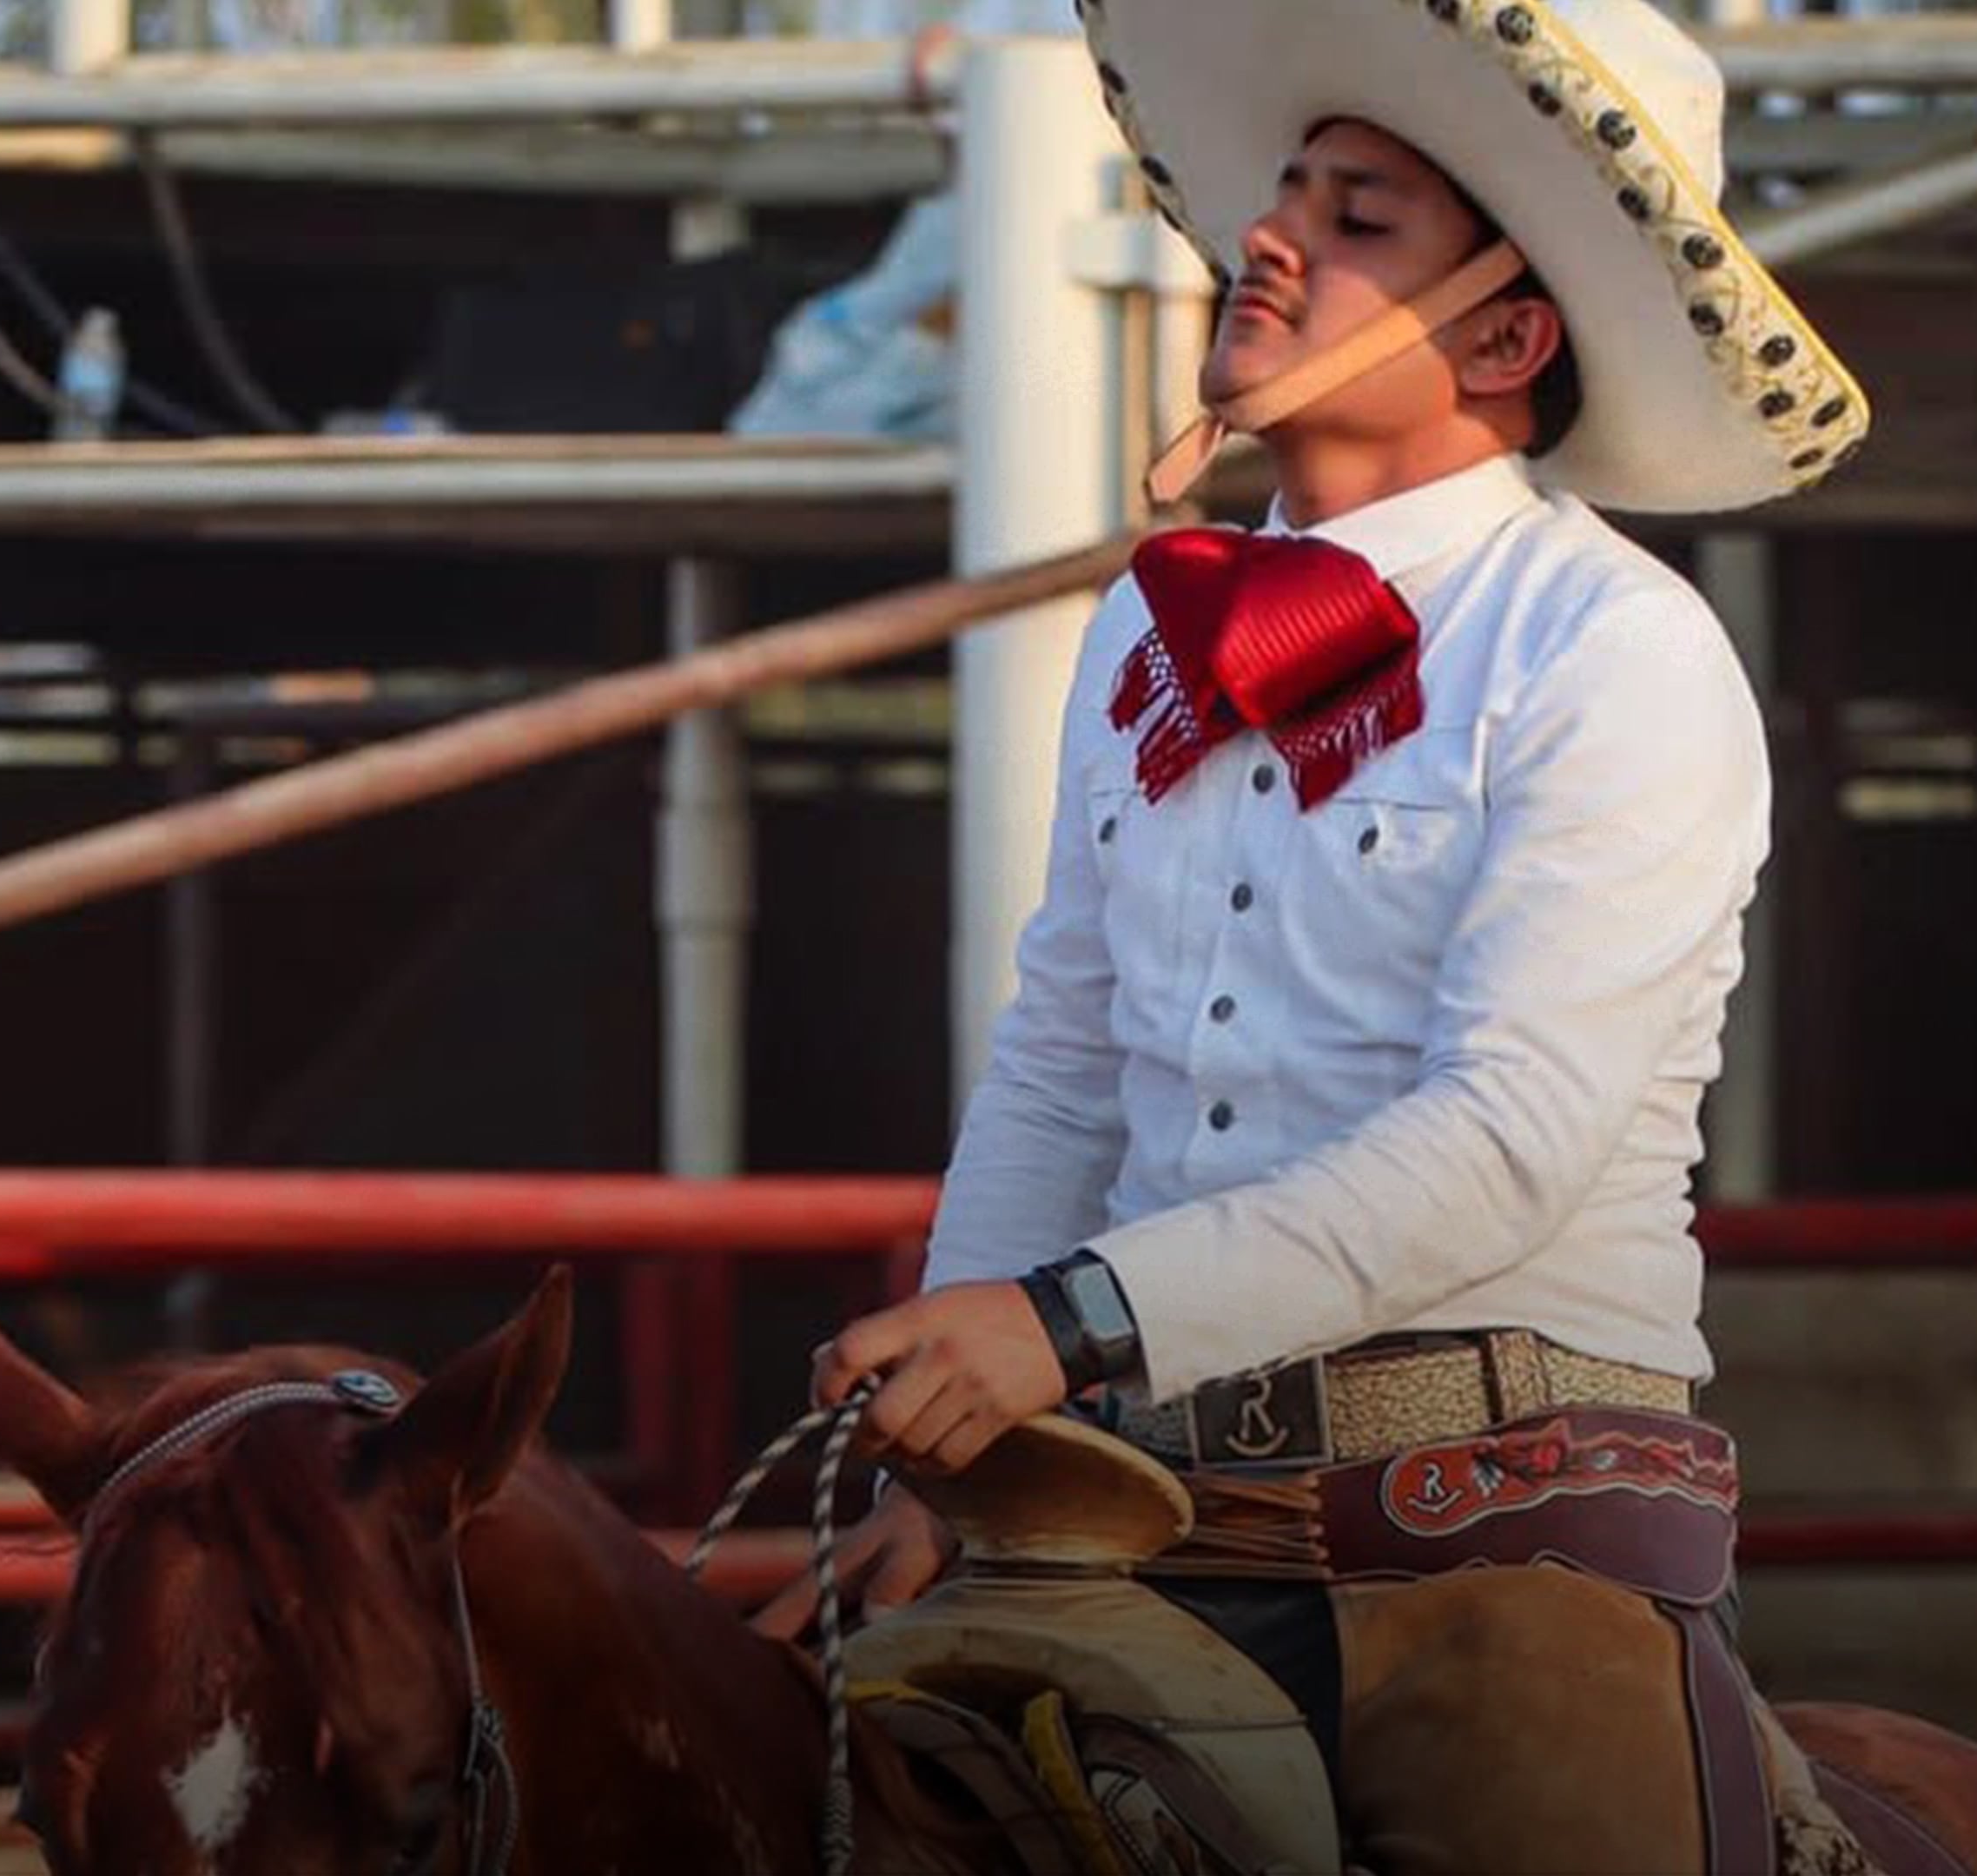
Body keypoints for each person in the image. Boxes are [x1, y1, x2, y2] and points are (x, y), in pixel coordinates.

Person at [772, 0, 1869, 1866]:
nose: (1269, 235)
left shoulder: (1616, 650)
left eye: (1361, 215)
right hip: (1135, 1495)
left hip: (1502, 1522)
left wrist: (1063, 1324)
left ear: (1511, 335)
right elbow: (1060, 1056)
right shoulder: (1149, 640)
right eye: (1287, 194)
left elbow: (1510, 1136)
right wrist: (951, 1449)